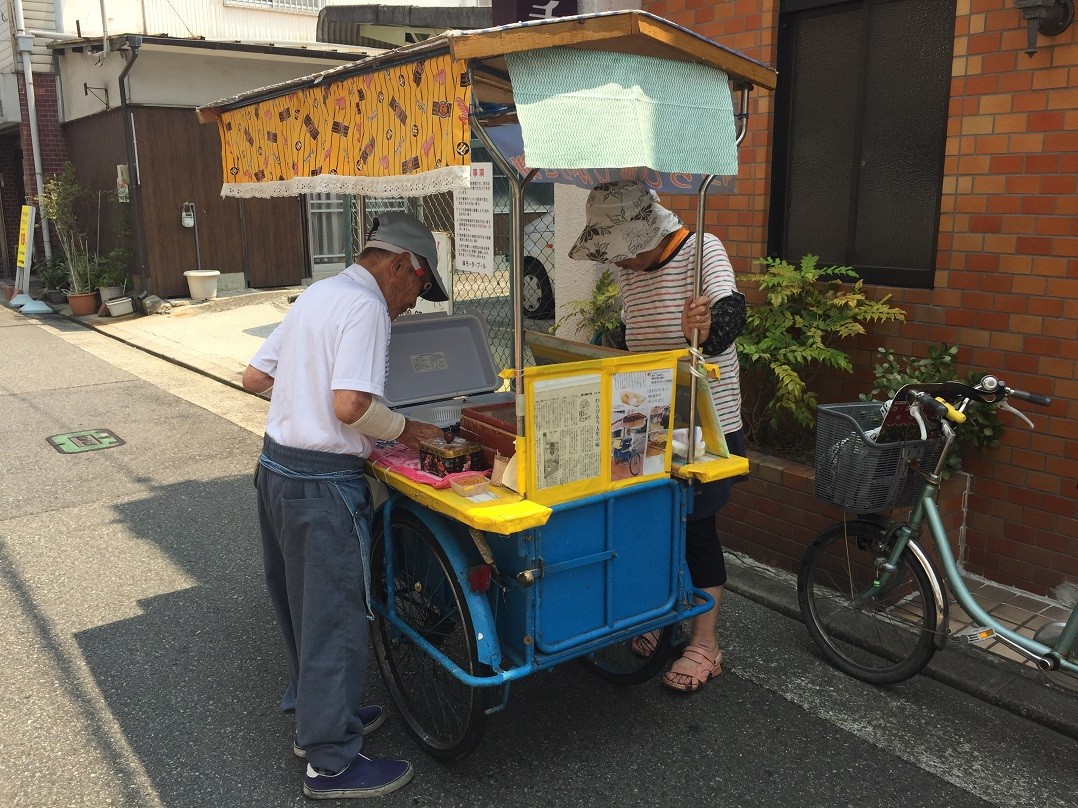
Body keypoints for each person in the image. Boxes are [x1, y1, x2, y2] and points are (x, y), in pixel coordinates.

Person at [242, 212, 446, 799]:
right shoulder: (367, 307)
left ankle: (317, 712)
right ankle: (330, 760)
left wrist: (303, 395)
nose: (412, 303)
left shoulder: (319, 292)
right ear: (403, 265)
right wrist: (410, 430)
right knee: (333, 616)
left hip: (276, 468)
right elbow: (351, 406)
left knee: (300, 605)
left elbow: (255, 376)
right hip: (322, 482)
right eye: (419, 287)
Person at [569, 180, 747, 693]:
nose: (616, 262)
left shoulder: (701, 250)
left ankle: (705, 643)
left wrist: (704, 326)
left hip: (705, 425)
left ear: (645, 233)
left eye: (619, 249)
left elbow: (731, 319)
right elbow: (632, 339)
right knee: (648, 520)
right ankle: (660, 612)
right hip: (647, 421)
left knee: (697, 527)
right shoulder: (632, 273)